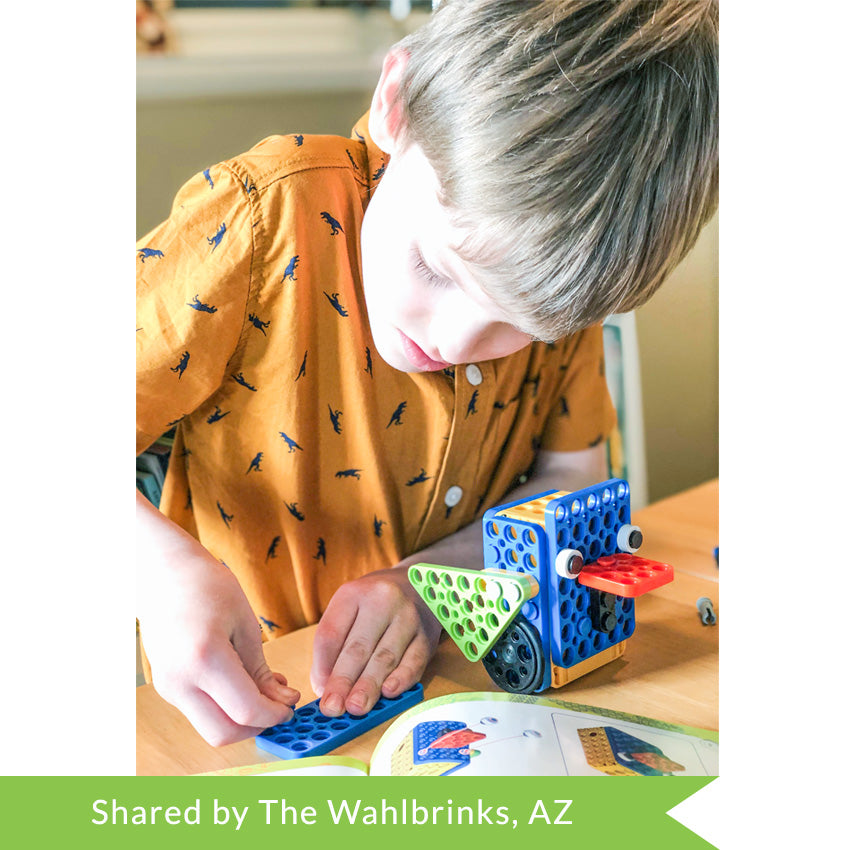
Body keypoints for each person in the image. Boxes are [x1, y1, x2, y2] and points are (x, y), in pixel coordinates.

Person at [136, 0, 718, 746]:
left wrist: (427, 585)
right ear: (396, 103)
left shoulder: (561, 292)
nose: (456, 340)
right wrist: (157, 574)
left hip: (433, 702)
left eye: (521, 326)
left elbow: (571, 479)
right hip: (224, 706)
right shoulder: (262, 219)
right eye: (436, 268)